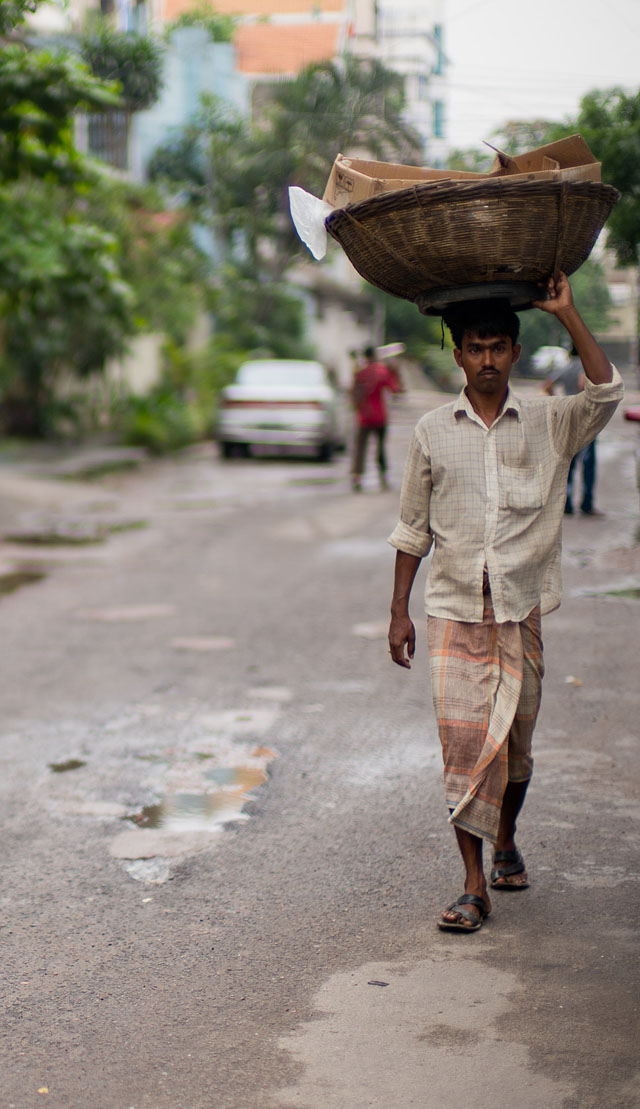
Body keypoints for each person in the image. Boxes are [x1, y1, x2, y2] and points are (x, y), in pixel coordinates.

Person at [387, 273, 623, 932]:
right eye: (474, 347)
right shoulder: (432, 431)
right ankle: (471, 883)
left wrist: (568, 313)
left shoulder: (549, 422)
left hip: (520, 611)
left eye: (497, 346)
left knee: (516, 750)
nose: (486, 358)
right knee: (462, 748)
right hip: (453, 610)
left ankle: (508, 837)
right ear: (457, 355)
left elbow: (606, 391)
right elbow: (412, 528)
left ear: (515, 352)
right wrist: (398, 609)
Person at [544, 347, 601, 516]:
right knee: (588, 464)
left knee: (568, 462)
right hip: (584, 419)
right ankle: (587, 503)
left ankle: (566, 503)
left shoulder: (566, 367)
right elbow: (582, 384)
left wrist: (559, 401)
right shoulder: (584, 366)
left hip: (568, 418)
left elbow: (547, 385)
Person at [351, 346, 402, 492]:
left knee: (360, 448)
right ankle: (383, 477)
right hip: (380, 416)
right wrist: (394, 372)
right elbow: (395, 389)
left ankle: (357, 477)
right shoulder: (382, 371)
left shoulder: (360, 371)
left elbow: (353, 392)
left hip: (364, 416)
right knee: (380, 448)